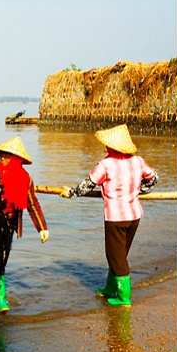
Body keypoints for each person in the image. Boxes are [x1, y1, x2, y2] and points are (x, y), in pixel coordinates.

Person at [61, 124, 157, 307]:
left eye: (107, 145)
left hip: (116, 218)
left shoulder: (105, 165)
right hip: (134, 215)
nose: (105, 147)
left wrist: (71, 192)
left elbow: (87, 185)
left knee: (115, 257)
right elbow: (153, 178)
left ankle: (123, 297)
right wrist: (139, 190)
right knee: (120, 254)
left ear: (112, 147)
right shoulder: (138, 161)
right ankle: (109, 289)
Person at [0, 136, 49, 313]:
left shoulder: (25, 178)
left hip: (9, 223)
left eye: (7, 155)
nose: (2, 158)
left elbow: (32, 202)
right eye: (2, 155)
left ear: (16, 158)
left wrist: (42, 228)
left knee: (1, 257)